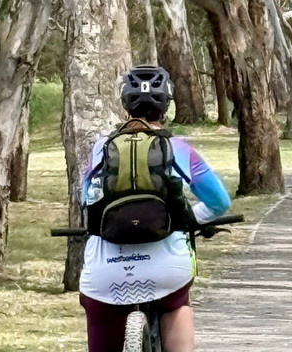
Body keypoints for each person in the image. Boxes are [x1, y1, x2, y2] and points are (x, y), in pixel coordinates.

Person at [79, 66, 231, 352]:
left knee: (99, 309)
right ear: (166, 105)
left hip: (106, 274)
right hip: (166, 270)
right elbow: (220, 201)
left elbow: (85, 199)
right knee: (176, 303)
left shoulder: (101, 148)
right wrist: (189, 218)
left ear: (125, 104)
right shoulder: (177, 148)